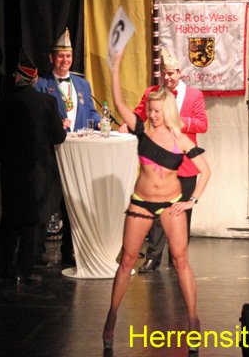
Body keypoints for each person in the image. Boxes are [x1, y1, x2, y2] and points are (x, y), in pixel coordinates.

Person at [102, 48, 211, 351]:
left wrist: (192, 201)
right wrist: (116, 66)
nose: (151, 114)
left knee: (181, 261)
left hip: (172, 201)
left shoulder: (179, 138)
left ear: (167, 112)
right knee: (127, 260)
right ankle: (112, 315)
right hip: (141, 202)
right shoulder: (142, 131)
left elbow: (205, 171)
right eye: (149, 110)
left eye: (156, 111)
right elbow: (119, 104)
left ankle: (192, 319)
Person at [122, 48, 208, 273]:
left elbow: (202, 124)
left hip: (185, 164)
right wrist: (125, 125)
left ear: (179, 72)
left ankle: (178, 257)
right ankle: (153, 257)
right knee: (157, 213)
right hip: (159, 163)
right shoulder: (152, 93)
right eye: (164, 73)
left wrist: (178, 121)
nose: (168, 77)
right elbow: (139, 115)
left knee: (182, 213)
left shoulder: (194, 96)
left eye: (171, 73)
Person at [0, 49, 66, 285]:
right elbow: (59, 137)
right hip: (37, 171)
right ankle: (24, 270)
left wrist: (7, 160)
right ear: (34, 79)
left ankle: (3, 268)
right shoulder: (47, 102)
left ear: (16, 78)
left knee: (10, 219)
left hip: (10, 170)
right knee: (32, 222)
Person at [35, 27, 101, 266]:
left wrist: (101, 124)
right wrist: (54, 123)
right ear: (52, 58)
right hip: (52, 152)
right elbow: (36, 118)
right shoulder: (41, 84)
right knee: (46, 202)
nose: (65, 60)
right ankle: (37, 251)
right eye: (61, 56)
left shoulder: (82, 84)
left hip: (77, 152)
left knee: (73, 202)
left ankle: (70, 250)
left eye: (69, 56)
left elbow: (91, 112)